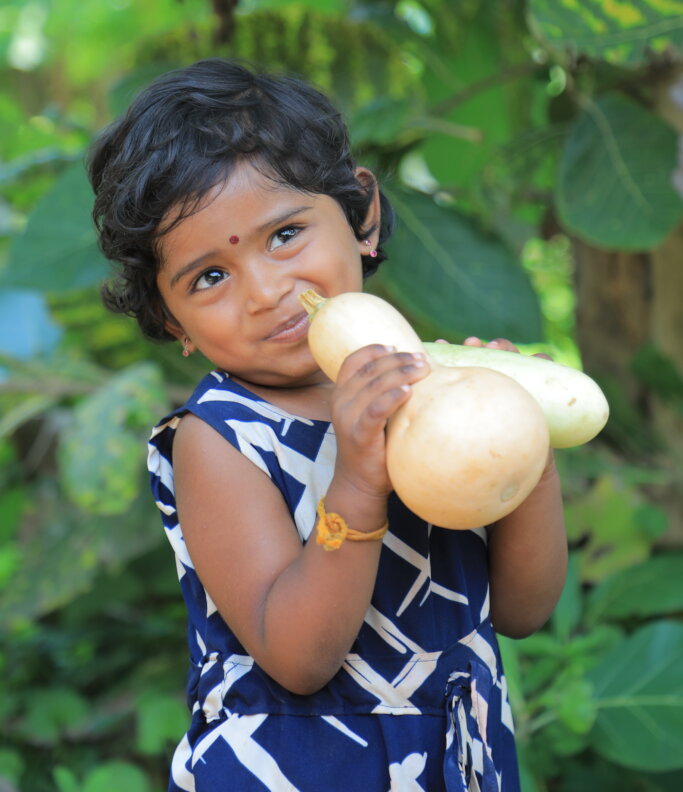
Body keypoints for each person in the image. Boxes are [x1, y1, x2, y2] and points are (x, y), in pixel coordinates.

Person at [88, 58, 567, 792]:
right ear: (169, 320)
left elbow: (524, 610)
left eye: (285, 234)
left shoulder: (428, 392)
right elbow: (299, 658)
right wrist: (355, 478)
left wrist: (520, 440)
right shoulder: (217, 441)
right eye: (209, 277)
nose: (267, 291)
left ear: (361, 216)